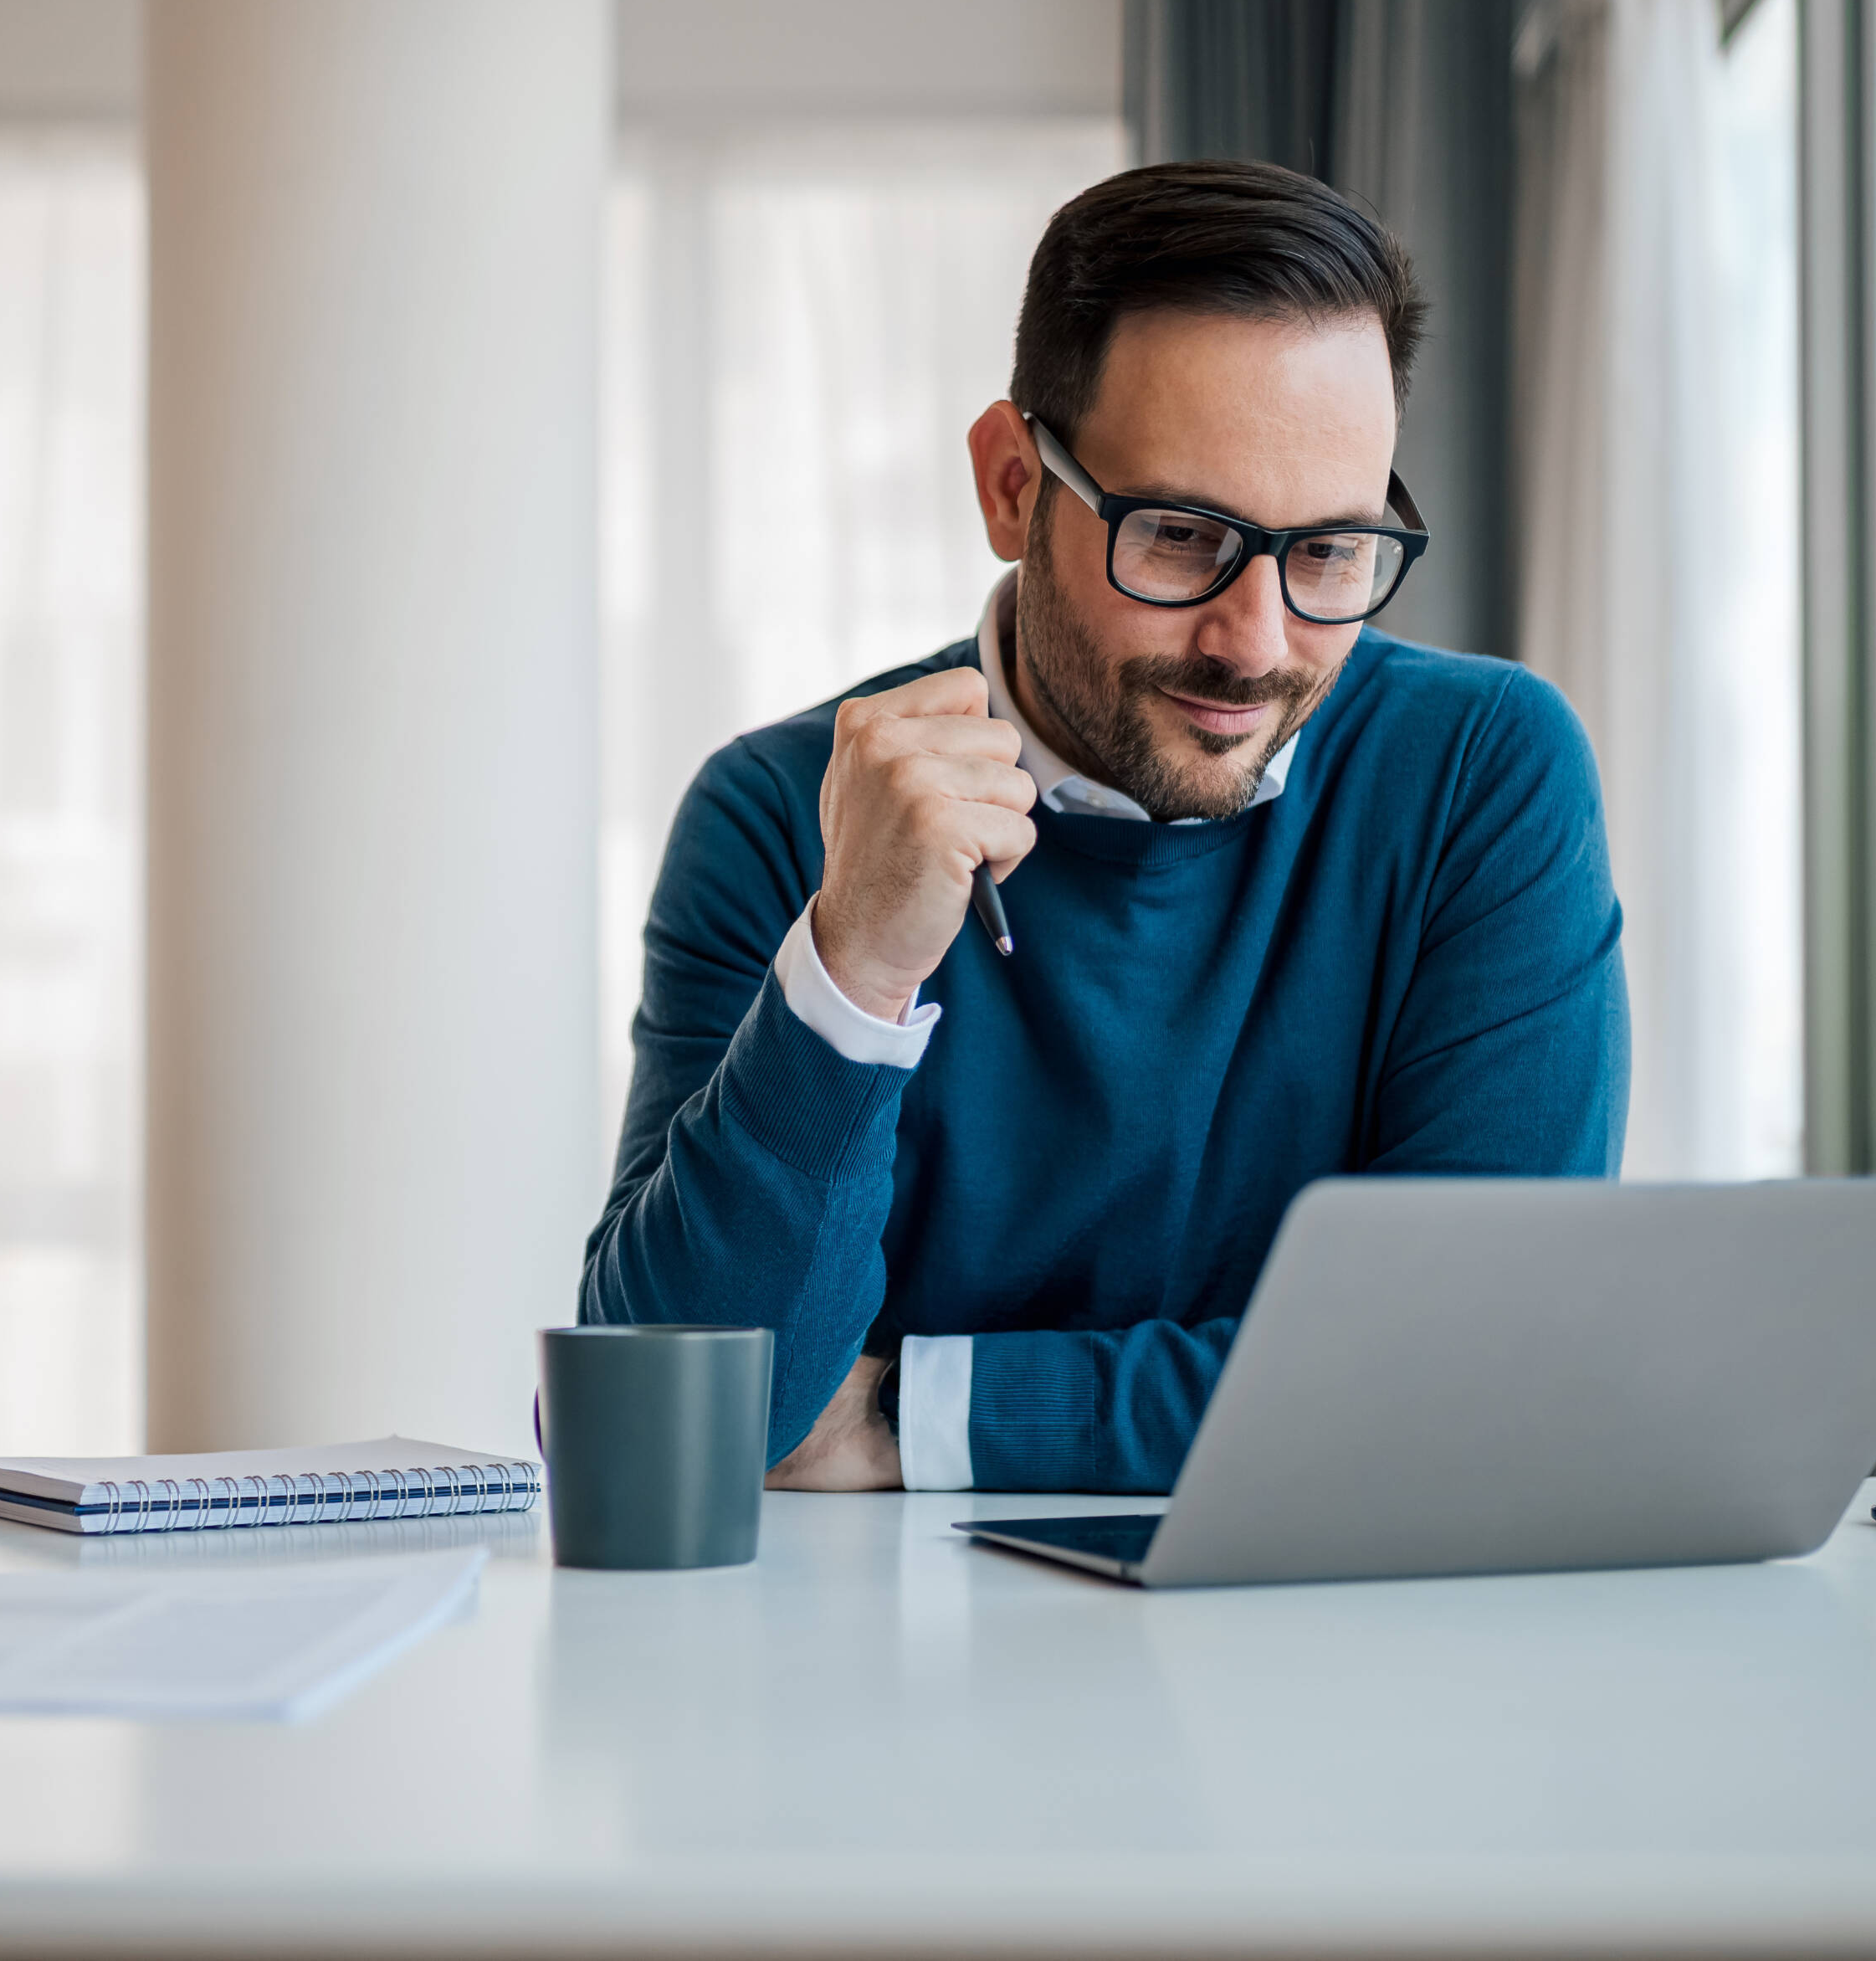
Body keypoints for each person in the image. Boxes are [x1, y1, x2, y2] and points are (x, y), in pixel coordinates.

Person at [580, 160, 1628, 1493]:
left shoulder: (1481, 771)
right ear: (1013, 485)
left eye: (1330, 552)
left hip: (1342, 1663)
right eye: (1183, 535)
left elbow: (1480, 1373)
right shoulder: (782, 811)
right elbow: (665, 1422)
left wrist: (917, 1416)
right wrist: (855, 970)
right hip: (870, 1681)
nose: (1255, 646)